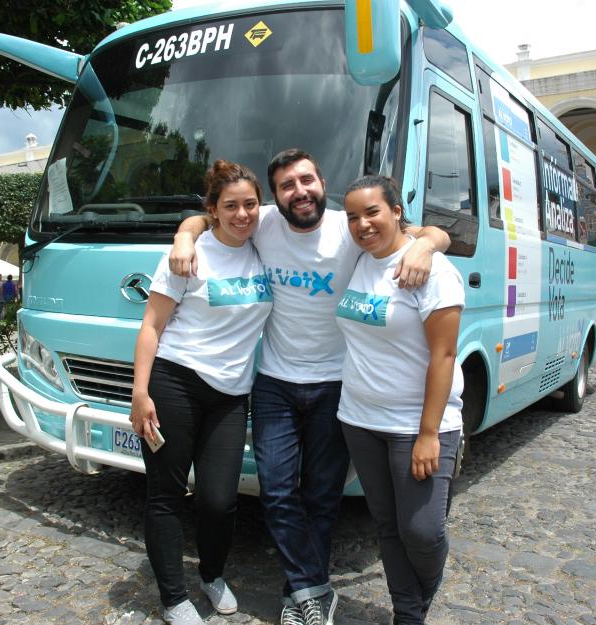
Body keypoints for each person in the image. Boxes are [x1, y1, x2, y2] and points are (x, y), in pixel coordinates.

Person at [169, 149, 450, 625]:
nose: (299, 191)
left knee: (321, 497)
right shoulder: (264, 224)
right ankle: (312, 590)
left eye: (306, 180)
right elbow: (208, 216)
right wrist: (183, 235)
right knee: (277, 492)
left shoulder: (350, 227)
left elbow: (423, 232)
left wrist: (426, 246)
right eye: (286, 185)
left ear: (323, 183)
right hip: (275, 383)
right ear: (276, 197)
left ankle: (297, 595)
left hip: (336, 386)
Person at [130, 160, 273, 625]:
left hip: (231, 395)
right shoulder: (188, 256)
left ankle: (211, 575)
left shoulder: (264, 246)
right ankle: (173, 598)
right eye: (230, 206)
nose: (242, 214)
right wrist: (140, 392)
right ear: (213, 210)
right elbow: (151, 326)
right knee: (166, 494)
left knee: (219, 499)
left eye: (250, 204)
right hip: (176, 383)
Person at [336, 176, 464, 625]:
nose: (362, 224)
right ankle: (408, 615)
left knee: (422, 531)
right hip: (359, 419)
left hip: (417, 425)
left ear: (396, 211)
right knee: (388, 526)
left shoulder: (433, 271)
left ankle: (418, 599)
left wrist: (429, 433)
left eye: (372, 212)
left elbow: (444, 355)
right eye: (352, 217)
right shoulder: (359, 259)